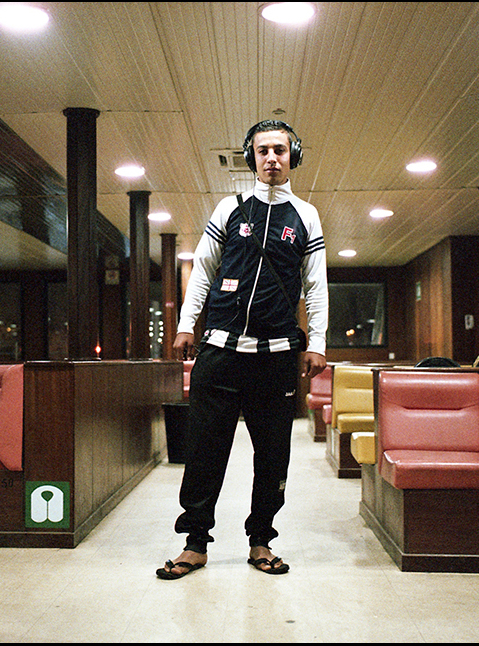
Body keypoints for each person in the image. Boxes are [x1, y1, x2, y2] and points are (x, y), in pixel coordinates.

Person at [156, 120, 328, 579]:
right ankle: (194, 543)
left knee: (272, 456)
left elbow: (316, 285)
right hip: (220, 352)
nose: (271, 158)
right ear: (251, 158)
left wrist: (318, 342)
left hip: (276, 357)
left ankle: (261, 540)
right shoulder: (229, 208)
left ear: (293, 156)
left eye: (280, 150)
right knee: (204, 450)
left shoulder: (306, 216)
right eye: (263, 150)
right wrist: (185, 325)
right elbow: (203, 270)